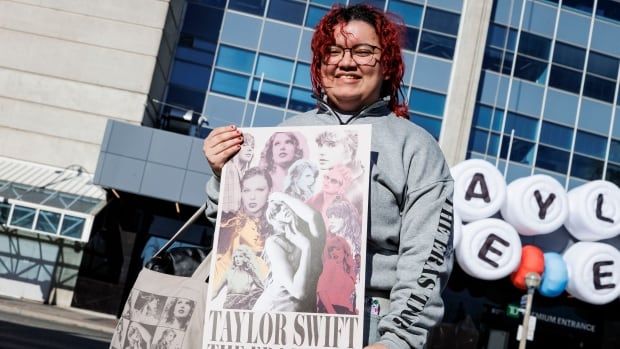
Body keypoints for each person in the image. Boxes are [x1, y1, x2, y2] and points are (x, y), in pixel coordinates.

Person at [203, 4, 454, 348]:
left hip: (366, 329)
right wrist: (223, 177)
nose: (346, 62)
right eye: (332, 51)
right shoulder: (284, 135)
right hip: (270, 325)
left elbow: (428, 257)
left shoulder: (416, 148)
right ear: (320, 66)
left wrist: (397, 340)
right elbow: (238, 231)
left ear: (388, 65)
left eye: (364, 52)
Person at [252, 192, 325, 313]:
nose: (283, 210)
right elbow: (298, 292)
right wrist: (306, 248)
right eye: (276, 211)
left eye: (283, 206)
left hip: (302, 316)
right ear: (275, 220)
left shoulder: (314, 238)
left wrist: (281, 196)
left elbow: (313, 216)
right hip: (272, 312)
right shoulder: (275, 243)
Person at [212, 244, 265, 309]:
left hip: (245, 306)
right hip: (229, 305)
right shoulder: (229, 273)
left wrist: (251, 298)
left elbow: (263, 288)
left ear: (245, 258)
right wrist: (208, 301)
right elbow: (215, 291)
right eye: (236, 256)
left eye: (240, 256)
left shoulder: (251, 274)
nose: (237, 259)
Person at [317, 233, 357, 314]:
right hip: (331, 310)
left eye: (337, 249)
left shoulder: (348, 272)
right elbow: (321, 290)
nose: (334, 252)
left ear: (345, 252)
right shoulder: (330, 264)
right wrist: (332, 312)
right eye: (331, 250)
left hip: (347, 312)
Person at [221, 133, 255, 213]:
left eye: (252, 146)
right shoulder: (229, 168)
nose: (250, 149)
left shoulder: (245, 174)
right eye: (245, 145)